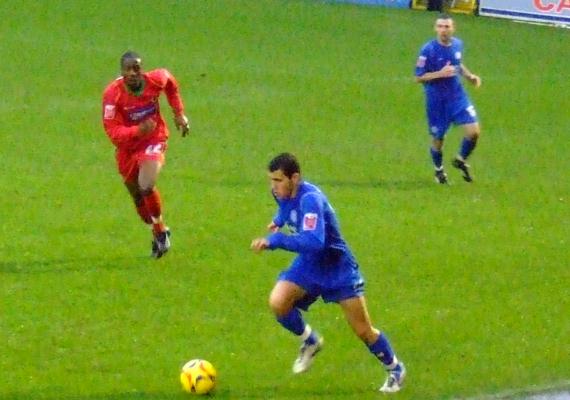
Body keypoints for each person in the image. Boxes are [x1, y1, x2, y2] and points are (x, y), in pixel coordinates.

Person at [250, 153, 406, 393]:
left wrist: (277, 240)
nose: (274, 186)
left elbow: (314, 241)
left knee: (363, 330)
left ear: (295, 178)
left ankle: (395, 368)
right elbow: (285, 208)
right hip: (310, 265)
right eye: (271, 180)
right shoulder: (279, 192)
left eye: (279, 180)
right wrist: (278, 220)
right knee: (278, 302)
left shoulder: (311, 200)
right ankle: (310, 341)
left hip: (337, 267)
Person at [102, 51, 190, 258]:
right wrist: (137, 131)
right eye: (128, 69)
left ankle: (160, 233)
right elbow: (112, 131)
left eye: (137, 68)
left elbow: (170, 82)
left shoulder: (154, 80)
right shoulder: (112, 95)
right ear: (121, 71)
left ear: (142, 69)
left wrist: (179, 113)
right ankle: (158, 230)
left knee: (146, 184)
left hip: (153, 139)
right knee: (138, 199)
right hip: (127, 147)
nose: (133, 73)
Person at [415, 14, 482, 184]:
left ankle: (460, 159)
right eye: (440, 26)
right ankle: (439, 171)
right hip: (437, 101)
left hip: (458, 97)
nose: (443, 30)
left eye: (447, 27)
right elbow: (418, 77)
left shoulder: (458, 44)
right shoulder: (428, 50)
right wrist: (440, 74)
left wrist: (469, 76)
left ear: (453, 28)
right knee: (438, 139)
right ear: (435, 28)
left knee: (474, 132)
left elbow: (457, 64)